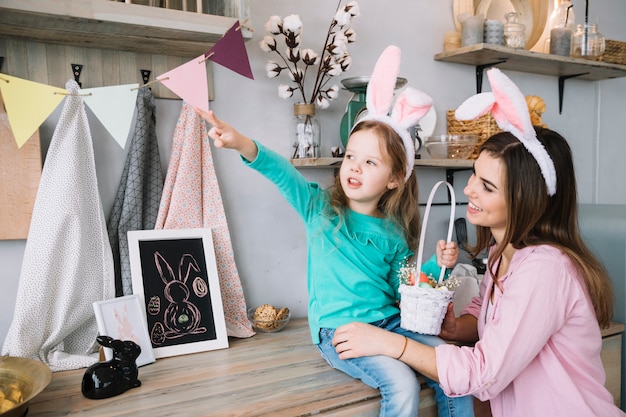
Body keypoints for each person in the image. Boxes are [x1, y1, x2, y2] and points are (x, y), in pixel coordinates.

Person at [195, 45, 475, 417]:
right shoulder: (320, 209)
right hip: (337, 330)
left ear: (394, 179)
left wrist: (438, 267)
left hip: (391, 322)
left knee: (452, 365)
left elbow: (405, 291)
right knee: (402, 383)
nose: (354, 167)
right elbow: (283, 173)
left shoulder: (394, 230)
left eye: (370, 161)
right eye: (350, 157)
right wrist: (242, 143)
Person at [331, 68, 626, 417]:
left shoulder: (545, 269)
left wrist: (389, 343)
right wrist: (459, 328)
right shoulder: (505, 254)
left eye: (487, 187)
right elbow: (496, 321)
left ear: (524, 200)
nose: (469, 190)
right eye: (474, 174)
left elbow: (484, 374)